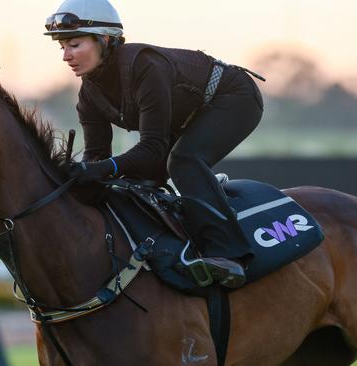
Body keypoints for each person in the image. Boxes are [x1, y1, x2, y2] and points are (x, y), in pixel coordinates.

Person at [44, 0, 264, 288]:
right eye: (62, 47)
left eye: (74, 44)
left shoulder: (143, 65)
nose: (66, 56)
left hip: (233, 97)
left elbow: (152, 149)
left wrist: (100, 168)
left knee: (183, 160)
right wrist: (76, 176)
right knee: (136, 184)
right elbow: (98, 158)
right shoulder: (88, 96)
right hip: (185, 117)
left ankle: (228, 255)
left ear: (105, 40)